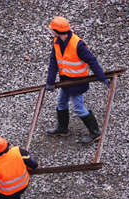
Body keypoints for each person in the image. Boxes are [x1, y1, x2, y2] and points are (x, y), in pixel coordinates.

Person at [45, 16, 110, 144]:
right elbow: (54, 61)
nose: (51, 31)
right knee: (61, 102)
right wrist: (50, 81)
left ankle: (95, 132)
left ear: (57, 31)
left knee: (78, 107)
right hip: (65, 81)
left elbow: (92, 60)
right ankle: (63, 129)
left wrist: (102, 77)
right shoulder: (57, 42)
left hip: (78, 83)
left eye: (52, 29)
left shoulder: (77, 44)